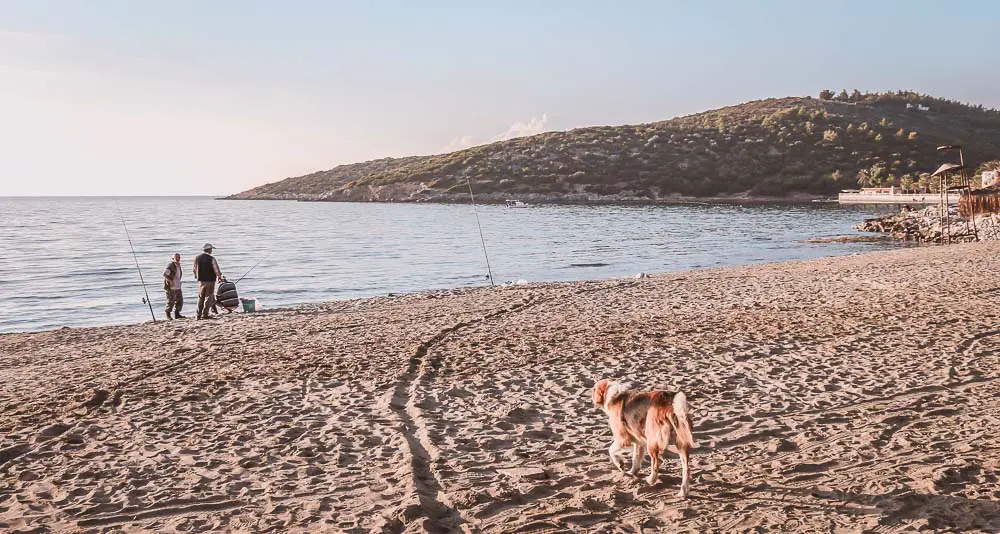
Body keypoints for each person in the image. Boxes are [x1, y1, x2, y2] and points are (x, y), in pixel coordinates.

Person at [193, 243, 223, 320]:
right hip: (210, 280)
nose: (212, 251)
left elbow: (194, 269)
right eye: (211, 249)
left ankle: (198, 315)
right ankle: (205, 314)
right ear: (209, 250)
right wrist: (219, 277)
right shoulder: (211, 258)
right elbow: (216, 269)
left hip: (201, 281)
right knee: (209, 298)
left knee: (201, 298)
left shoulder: (197, 258)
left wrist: (197, 277)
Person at [162, 253, 185, 319]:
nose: (178, 258)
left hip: (178, 285)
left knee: (180, 301)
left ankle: (177, 314)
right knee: (170, 301)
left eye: (179, 257)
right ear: (173, 259)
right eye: (176, 257)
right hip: (171, 287)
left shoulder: (178, 265)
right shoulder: (171, 265)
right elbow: (165, 274)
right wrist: (171, 281)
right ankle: (168, 315)